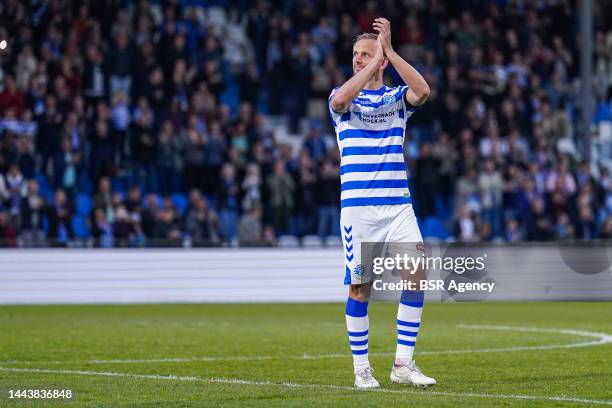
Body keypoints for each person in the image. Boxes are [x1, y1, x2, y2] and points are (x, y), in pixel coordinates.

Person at [328, 18, 435, 389]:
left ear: (382, 61)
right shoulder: (340, 97)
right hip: (359, 209)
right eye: (356, 55)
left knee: (417, 274)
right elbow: (341, 99)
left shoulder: (394, 100)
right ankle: (362, 369)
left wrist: (389, 51)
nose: (358, 60)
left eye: (366, 55)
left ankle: (402, 364)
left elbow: (422, 92)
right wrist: (375, 61)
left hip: (397, 205)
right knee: (361, 288)